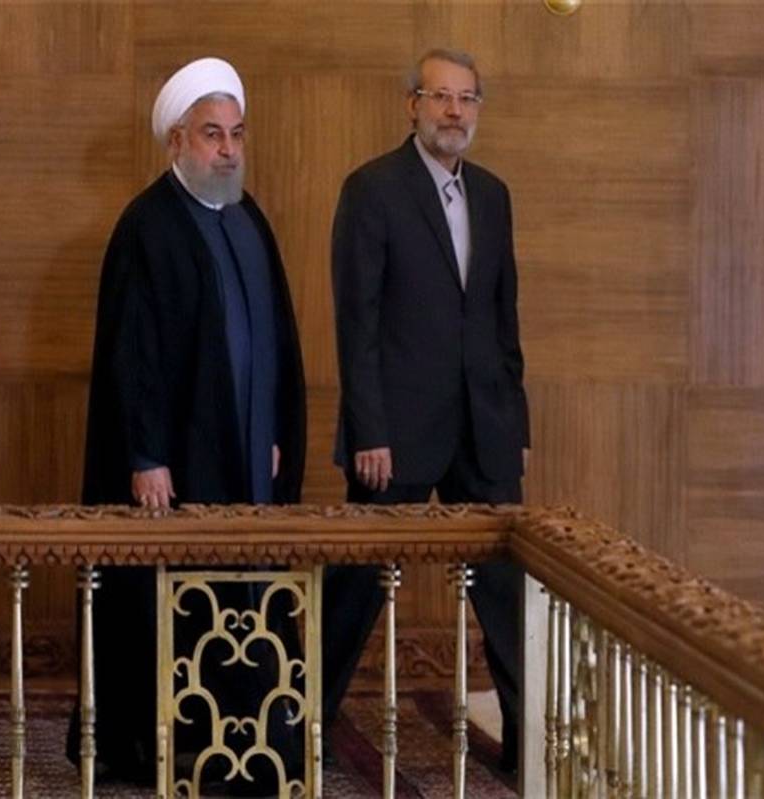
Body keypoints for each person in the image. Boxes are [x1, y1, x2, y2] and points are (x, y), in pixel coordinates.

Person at [70, 57, 307, 790]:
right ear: (177, 141)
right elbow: (132, 355)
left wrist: (273, 430)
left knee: (246, 595)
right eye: (212, 134)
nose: (228, 149)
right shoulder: (148, 225)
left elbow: (272, 341)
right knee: (176, 601)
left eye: (236, 134)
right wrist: (145, 455)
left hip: (247, 457)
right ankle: (165, 743)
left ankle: (247, 741)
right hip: (175, 463)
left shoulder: (249, 216)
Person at [328, 48, 530, 772]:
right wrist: (369, 430)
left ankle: (527, 746)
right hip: (396, 434)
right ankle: (299, 727)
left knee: (505, 592)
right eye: (441, 96)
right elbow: (357, 322)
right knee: (355, 584)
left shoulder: (495, 195)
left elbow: (503, 319)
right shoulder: (373, 189)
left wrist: (515, 424)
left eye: (466, 99)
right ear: (412, 103)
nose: (454, 111)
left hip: (484, 429)